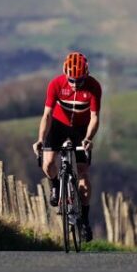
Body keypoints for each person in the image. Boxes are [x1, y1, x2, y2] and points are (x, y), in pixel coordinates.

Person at [32, 51, 102, 242]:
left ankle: (85, 221)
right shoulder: (55, 84)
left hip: (81, 128)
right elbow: (46, 115)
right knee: (47, 163)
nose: (74, 84)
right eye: (71, 80)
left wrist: (88, 138)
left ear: (85, 76)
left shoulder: (94, 86)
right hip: (58, 125)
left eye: (79, 81)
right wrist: (40, 139)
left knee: (83, 176)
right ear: (65, 73)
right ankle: (55, 186)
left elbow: (95, 118)